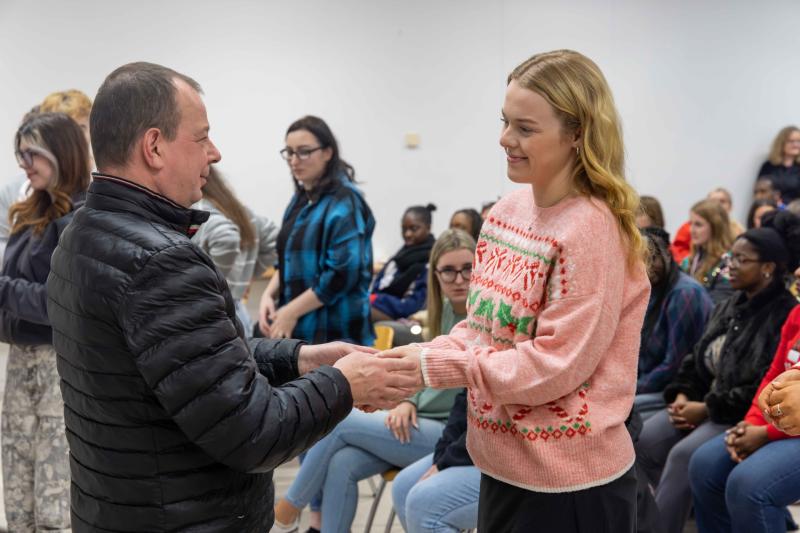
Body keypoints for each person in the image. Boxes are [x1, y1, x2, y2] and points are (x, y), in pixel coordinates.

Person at [45, 62, 420, 532]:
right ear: (154, 146)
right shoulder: (161, 263)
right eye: (202, 138)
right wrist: (343, 384)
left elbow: (188, 364)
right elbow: (254, 432)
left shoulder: (79, 235)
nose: (215, 153)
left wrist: (300, 359)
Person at [382, 49, 650, 532]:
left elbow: (555, 365)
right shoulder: (506, 212)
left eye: (525, 128)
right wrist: (415, 359)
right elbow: (482, 329)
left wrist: (435, 367)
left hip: (570, 485)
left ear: (576, 134)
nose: (505, 139)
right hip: (503, 465)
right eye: (505, 122)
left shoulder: (590, 229)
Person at [272, 229, 475, 533]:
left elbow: (461, 391)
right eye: (449, 270)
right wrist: (407, 400)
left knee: (340, 420)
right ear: (435, 273)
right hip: (417, 421)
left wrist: (407, 400)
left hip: (449, 432)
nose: (459, 279)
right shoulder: (442, 311)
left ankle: (287, 509)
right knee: (343, 462)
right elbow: (426, 374)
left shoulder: (479, 318)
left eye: (467, 268)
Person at [636, 214, 798, 533]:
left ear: (768, 267)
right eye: (729, 258)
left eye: (741, 259)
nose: (731, 266)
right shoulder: (730, 305)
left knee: (695, 460)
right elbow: (695, 359)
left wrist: (719, 414)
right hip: (729, 410)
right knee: (644, 438)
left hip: (730, 411)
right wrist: (683, 394)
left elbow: (758, 383)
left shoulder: (780, 311)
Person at [0, 112, 90, 532]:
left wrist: (2, 291)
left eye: (32, 153)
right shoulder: (28, 214)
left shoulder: (81, 219)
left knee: (53, 504)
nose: (24, 164)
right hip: (22, 366)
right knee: (18, 499)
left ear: (62, 153)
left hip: (59, 368)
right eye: (21, 155)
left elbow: (61, 303)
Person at [258, 116, 375, 345]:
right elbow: (288, 261)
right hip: (303, 330)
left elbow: (341, 275)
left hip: (336, 333)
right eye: (289, 152)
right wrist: (268, 294)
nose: (294, 160)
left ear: (327, 152)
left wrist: (291, 311)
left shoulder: (345, 203)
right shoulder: (300, 199)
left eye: (304, 152)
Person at [0, 91, 93, 263]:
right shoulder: (32, 202)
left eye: (81, 128)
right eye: (22, 155)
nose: (23, 164)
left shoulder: (85, 213)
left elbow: (58, 288)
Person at [635, 227, 712, 418]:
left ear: (668, 256)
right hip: (647, 381)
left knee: (619, 412)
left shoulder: (684, 293)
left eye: (652, 258)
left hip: (678, 390)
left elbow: (673, 365)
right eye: (639, 259)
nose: (646, 266)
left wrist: (631, 389)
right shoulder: (649, 288)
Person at [191, 165, 278, 335]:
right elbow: (274, 237)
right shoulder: (238, 211)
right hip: (238, 311)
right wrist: (247, 276)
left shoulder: (201, 209)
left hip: (217, 314)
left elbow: (226, 238)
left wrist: (216, 284)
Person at [370, 204, 436, 322]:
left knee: (358, 312)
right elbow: (376, 288)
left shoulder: (431, 261)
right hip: (381, 309)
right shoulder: (399, 256)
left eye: (414, 228)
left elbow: (414, 306)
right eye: (404, 229)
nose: (407, 234)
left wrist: (378, 299)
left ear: (428, 228)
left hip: (408, 321)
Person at [681, 198, 735, 304]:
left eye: (698, 225)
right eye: (690, 223)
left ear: (716, 227)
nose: (692, 230)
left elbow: (718, 304)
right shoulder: (690, 260)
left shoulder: (729, 263)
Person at [758, 126, 800, 203]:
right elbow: (759, 192)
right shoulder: (768, 166)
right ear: (781, 143)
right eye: (791, 141)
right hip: (771, 209)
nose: (796, 145)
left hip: (795, 211)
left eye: (798, 141)